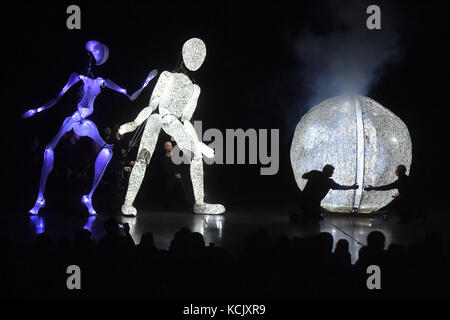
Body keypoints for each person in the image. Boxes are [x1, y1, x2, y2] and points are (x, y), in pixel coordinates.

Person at [161, 141, 194, 210]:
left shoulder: (176, 156)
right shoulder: (164, 158)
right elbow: (166, 168)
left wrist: (179, 173)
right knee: (170, 191)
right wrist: (174, 174)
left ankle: (187, 206)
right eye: (167, 146)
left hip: (180, 176)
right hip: (170, 177)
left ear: (172, 147)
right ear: (164, 147)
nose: (168, 147)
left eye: (169, 145)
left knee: (184, 191)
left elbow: (181, 165)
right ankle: (168, 207)